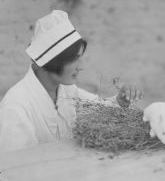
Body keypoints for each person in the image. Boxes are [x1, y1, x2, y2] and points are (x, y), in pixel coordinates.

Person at [0, 10, 143, 153]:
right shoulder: (16, 107)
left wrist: (120, 101)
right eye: (74, 59)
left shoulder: (67, 91)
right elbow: (14, 168)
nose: (80, 67)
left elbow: (100, 107)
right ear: (51, 61)